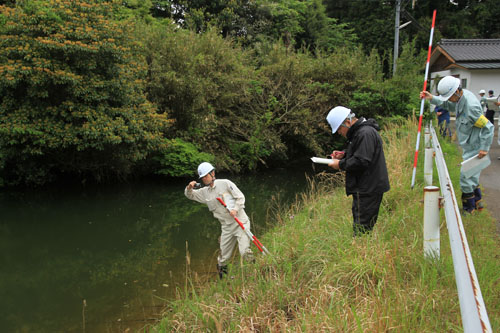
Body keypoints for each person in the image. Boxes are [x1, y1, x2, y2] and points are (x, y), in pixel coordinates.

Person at [420, 76, 494, 213]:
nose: (448, 100)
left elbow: (488, 127)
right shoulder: (461, 97)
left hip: (476, 147)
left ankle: (468, 209)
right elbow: (449, 105)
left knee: (465, 177)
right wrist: (432, 98)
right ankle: (478, 204)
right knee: (472, 175)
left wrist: (484, 148)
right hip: (469, 145)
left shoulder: (471, 107)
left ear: (456, 92)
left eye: (449, 97)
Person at [326, 106, 390, 236]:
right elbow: (360, 153)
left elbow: (362, 161)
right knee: (360, 225)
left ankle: (363, 253)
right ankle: (362, 251)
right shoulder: (359, 133)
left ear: (348, 122)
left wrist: (340, 164)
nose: (339, 133)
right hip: (364, 187)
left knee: (362, 230)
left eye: (339, 129)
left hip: (369, 188)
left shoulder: (365, 133)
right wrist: (344, 154)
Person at [185, 162, 254, 279]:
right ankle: (223, 280)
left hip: (240, 222)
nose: (204, 179)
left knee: (244, 251)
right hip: (226, 227)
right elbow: (190, 195)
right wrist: (189, 188)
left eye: (206, 176)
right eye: (202, 177)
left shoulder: (226, 183)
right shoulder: (204, 192)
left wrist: (236, 209)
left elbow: (241, 197)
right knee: (223, 258)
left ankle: (255, 273)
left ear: (213, 173)